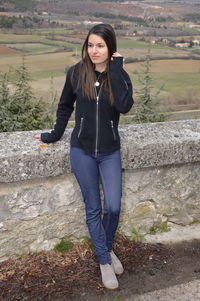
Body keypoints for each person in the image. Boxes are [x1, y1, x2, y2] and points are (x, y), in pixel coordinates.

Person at [34, 23, 133, 290]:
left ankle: (106, 248)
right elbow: (65, 106)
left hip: (110, 151)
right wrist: (53, 135)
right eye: (90, 45)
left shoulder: (120, 76)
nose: (94, 50)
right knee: (93, 208)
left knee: (113, 206)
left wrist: (116, 69)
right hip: (82, 151)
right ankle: (104, 259)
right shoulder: (76, 73)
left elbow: (124, 106)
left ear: (111, 48)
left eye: (100, 45)